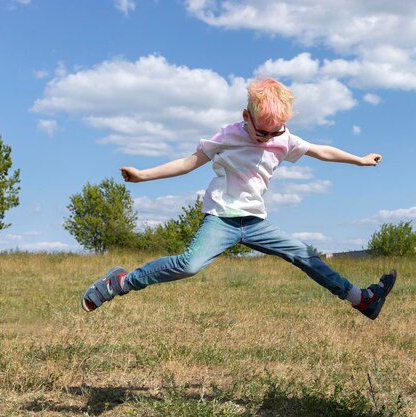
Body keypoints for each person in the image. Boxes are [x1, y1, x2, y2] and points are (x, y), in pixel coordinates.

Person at [81, 78, 396, 320]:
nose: (269, 140)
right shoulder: (228, 136)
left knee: (305, 255)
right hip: (222, 218)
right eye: (262, 133)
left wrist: (359, 159)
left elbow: (321, 150)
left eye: (276, 133)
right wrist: (143, 175)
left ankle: (362, 299)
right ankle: (120, 282)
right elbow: (188, 162)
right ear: (247, 116)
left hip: (255, 220)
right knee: (189, 265)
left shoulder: (282, 137)